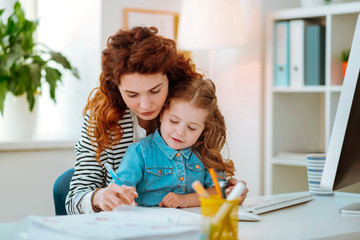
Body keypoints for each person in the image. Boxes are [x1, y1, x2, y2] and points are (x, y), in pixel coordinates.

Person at [66, 26, 248, 214]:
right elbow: (73, 201)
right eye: (132, 94)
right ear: (117, 89)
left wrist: (230, 192)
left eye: (155, 91)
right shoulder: (101, 120)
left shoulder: (186, 110)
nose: (145, 105)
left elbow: (214, 184)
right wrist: (99, 197)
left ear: (170, 80)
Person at [115, 78, 235, 208]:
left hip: (194, 224)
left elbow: (220, 192)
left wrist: (186, 200)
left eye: (192, 128)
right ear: (161, 115)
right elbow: (119, 192)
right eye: (173, 121)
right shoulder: (139, 152)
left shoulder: (205, 154)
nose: (180, 132)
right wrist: (124, 194)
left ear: (204, 129)